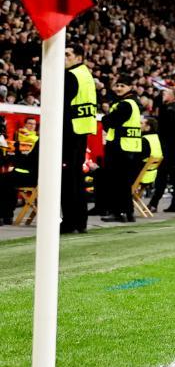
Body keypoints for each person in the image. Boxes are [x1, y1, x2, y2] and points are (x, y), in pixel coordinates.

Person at [62, 44, 97, 232]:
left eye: (67, 54)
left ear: (78, 57)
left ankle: (68, 222)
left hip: (69, 131)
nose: (64, 57)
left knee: (68, 179)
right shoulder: (86, 75)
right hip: (81, 131)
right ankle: (79, 222)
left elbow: (62, 104)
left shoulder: (70, 76)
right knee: (77, 177)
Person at [100, 75, 143, 223]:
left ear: (130, 87)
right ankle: (128, 212)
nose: (118, 88)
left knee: (116, 181)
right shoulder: (135, 103)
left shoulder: (125, 104)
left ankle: (118, 212)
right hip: (130, 147)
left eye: (122, 86)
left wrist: (106, 119)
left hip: (119, 146)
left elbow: (109, 122)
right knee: (124, 182)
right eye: (117, 85)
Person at [149, 88, 175, 213]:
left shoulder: (168, 110)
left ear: (173, 97)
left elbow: (165, 132)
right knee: (171, 177)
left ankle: (154, 204)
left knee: (164, 176)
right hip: (174, 149)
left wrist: (166, 148)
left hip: (169, 149)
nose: (163, 94)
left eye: (167, 93)